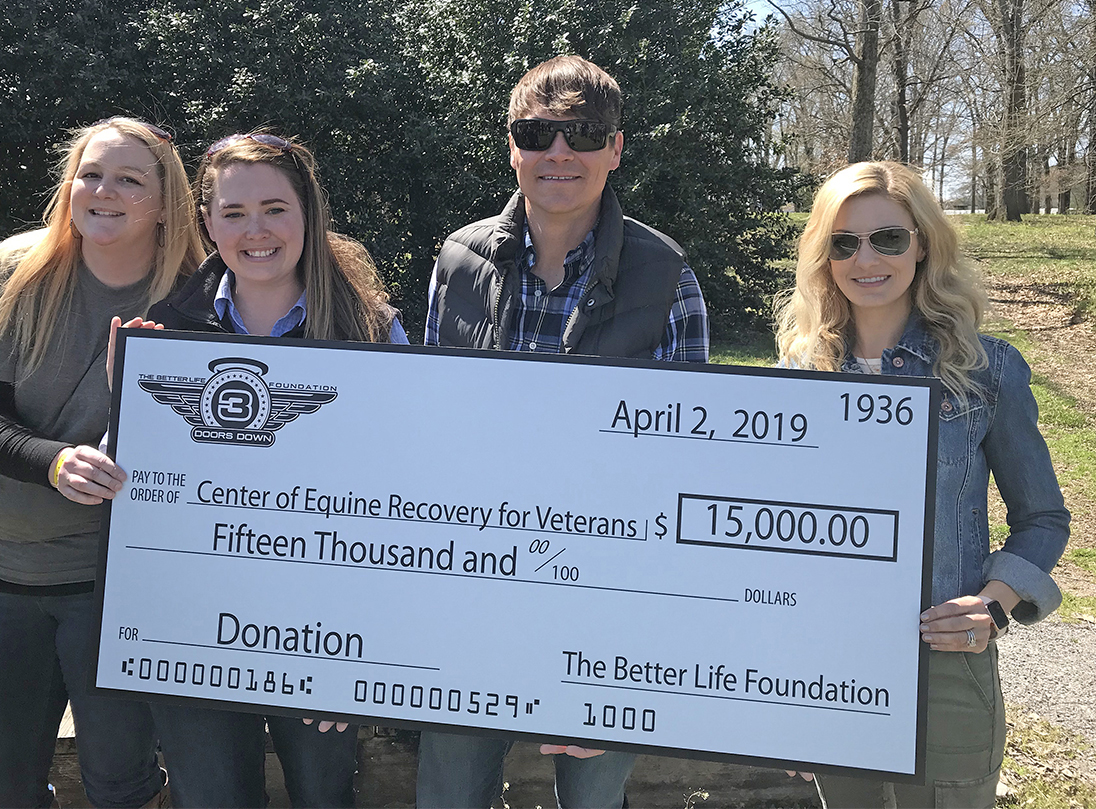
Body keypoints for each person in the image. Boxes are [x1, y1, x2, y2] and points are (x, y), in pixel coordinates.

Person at [419, 55, 709, 809]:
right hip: (471, 582)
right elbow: (429, 431)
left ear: (615, 149)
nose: (558, 152)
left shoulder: (666, 275)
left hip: (608, 595)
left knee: (591, 798)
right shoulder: (457, 260)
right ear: (511, 145)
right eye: (536, 133)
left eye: (581, 135)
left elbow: (688, 465)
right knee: (449, 792)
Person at [775, 161, 1069, 808]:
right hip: (829, 664)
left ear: (923, 244)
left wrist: (993, 605)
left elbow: (1044, 519)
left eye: (887, 238)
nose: (865, 259)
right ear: (824, 256)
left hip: (946, 666)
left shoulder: (985, 370)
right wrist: (781, 690)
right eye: (844, 243)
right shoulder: (796, 373)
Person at [139, 132, 406, 808]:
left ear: (308, 213)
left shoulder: (373, 330)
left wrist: (361, 646)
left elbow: (405, 495)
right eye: (233, 213)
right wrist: (125, 405)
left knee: (323, 794)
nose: (255, 230)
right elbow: (145, 491)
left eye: (275, 208)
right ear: (207, 223)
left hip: (322, 629)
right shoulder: (163, 333)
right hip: (195, 626)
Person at [0, 117, 203, 808]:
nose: (103, 190)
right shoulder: (13, 271)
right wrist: (56, 462)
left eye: (129, 179)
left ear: (166, 201)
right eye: (90, 174)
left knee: (122, 784)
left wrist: (136, 401)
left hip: (115, 585)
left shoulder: (196, 299)